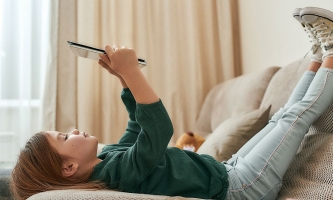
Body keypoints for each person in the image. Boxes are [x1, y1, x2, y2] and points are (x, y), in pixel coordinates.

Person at [10, 7, 333, 200]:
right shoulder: (118, 176)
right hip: (241, 188)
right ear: (69, 168)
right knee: (293, 118)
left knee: (281, 119)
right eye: (65, 137)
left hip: (226, 172)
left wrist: (123, 79)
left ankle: (318, 56)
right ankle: (331, 49)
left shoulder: (108, 158)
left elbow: (138, 127)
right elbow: (158, 128)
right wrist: (132, 71)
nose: (74, 130)